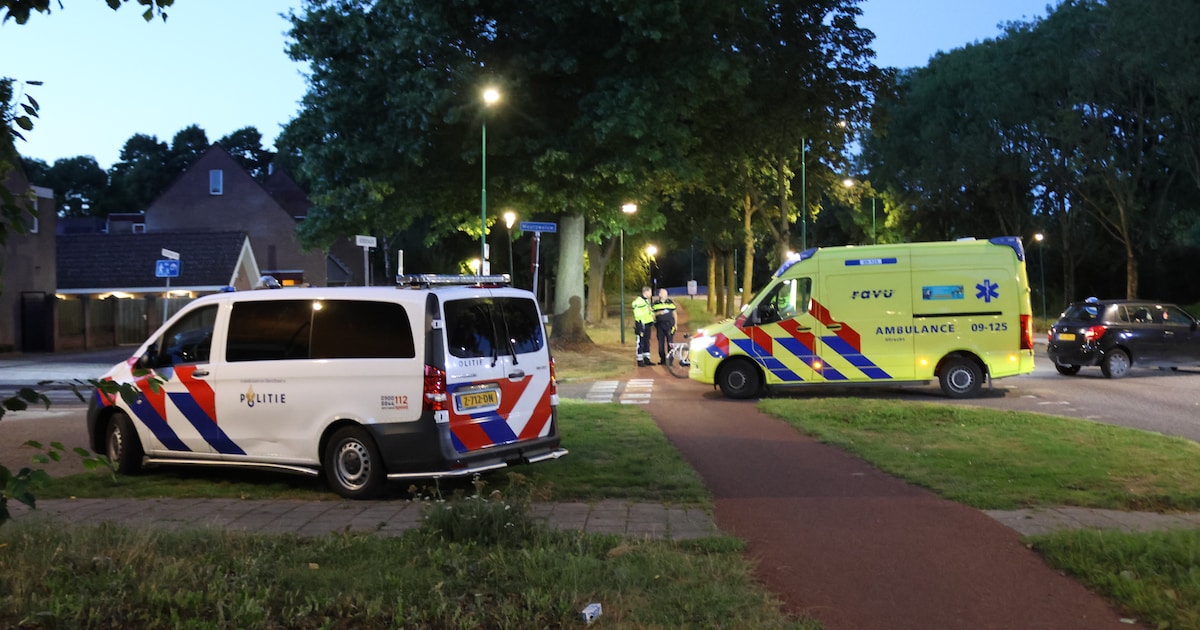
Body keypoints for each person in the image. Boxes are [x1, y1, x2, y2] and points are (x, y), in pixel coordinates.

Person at [631, 286, 655, 366]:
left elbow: (648, 311)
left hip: (647, 324)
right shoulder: (639, 301)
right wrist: (641, 322)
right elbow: (637, 313)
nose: (651, 294)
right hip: (641, 324)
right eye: (650, 292)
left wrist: (652, 317)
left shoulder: (646, 301)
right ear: (646, 292)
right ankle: (640, 360)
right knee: (640, 342)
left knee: (646, 341)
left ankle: (646, 359)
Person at [652, 288, 677, 365]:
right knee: (661, 343)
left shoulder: (670, 302)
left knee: (670, 343)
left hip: (669, 325)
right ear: (660, 295)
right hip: (660, 326)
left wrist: (675, 324)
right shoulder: (655, 304)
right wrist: (659, 313)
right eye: (663, 294)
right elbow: (652, 315)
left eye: (666, 294)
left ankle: (670, 360)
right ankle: (662, 359)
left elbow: (674, 313)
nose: (665, 295)